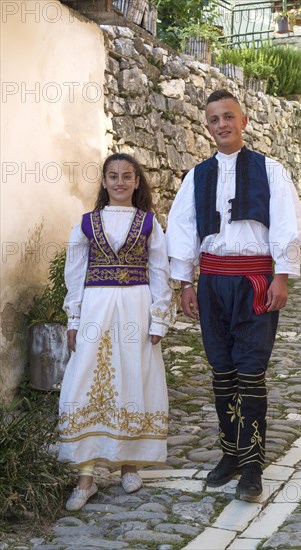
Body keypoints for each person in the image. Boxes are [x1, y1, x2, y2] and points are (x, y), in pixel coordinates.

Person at [166, 89, 301, 502]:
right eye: (214, 119)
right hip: (212, 283)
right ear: (207, 127)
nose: (222, 125)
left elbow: (286, 224)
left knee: (250, 373)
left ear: (243, 121)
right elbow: (182, 229)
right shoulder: (197, 176)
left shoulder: (271, 171)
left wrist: (282, 276)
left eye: (228, 116)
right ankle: (230, 454)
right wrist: (184, 282)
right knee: (222, 372)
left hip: (254, 282)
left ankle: (252, 466)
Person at [58, 153, 172, 511]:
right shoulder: (87, 224)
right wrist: (74, 319)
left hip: (136, 308)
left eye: (127, 176)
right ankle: (86, 477)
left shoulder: (150, 223)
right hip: (95, 307)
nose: (120, 182)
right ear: (104, 182)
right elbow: (74, 274)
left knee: (133, 376)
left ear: (137, 182)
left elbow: (159, 272)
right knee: (87, 380)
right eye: (113, 176)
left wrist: (158, 318)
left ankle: (130, 464)